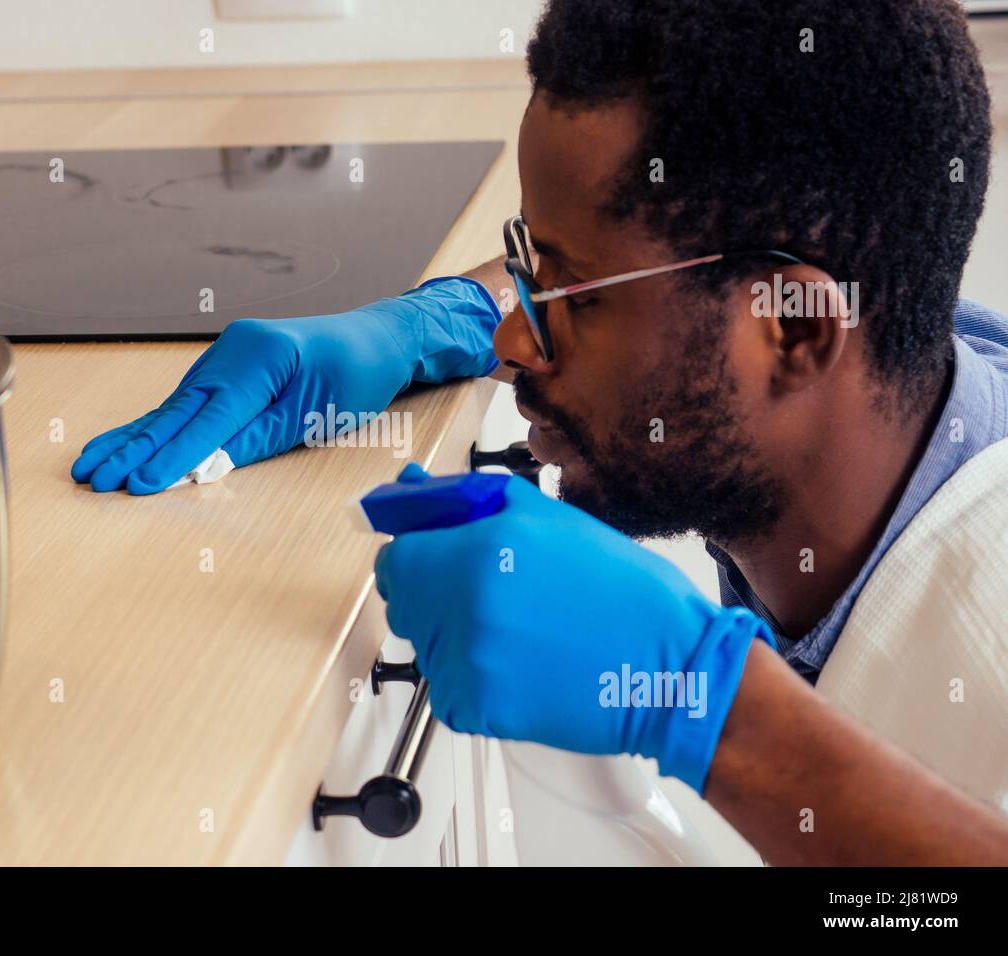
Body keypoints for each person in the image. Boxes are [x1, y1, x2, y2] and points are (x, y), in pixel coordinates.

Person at [72, 0, 1008, 864]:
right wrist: (438, 316)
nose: (515, 340)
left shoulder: (982, 652)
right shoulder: (914, 360)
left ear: (794, 331)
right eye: (529, 267)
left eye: (566, 298)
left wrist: (711, 710)